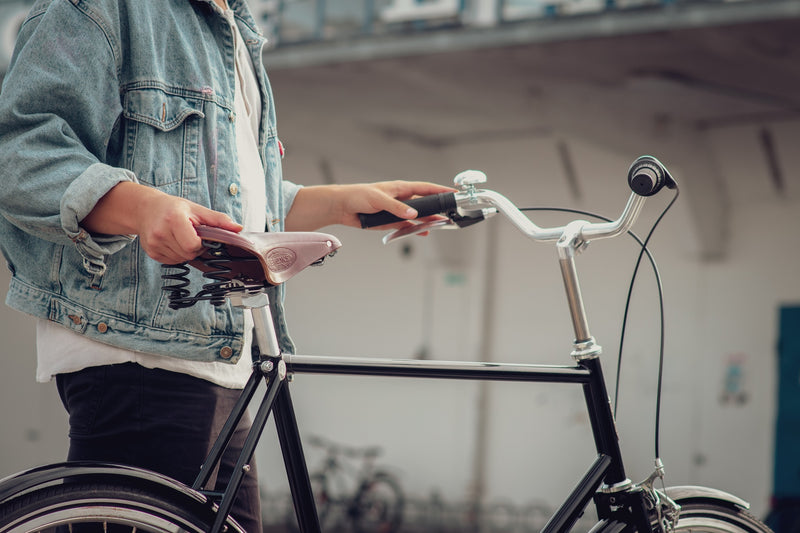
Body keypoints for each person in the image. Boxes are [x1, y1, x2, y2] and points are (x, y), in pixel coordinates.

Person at [0, 0, 451, 530]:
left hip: (224, 355)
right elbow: (21, 153)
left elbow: (218, 199)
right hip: (139, 353)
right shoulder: (103, 8)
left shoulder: (231, 25)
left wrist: (336, 202)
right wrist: (143, 208)